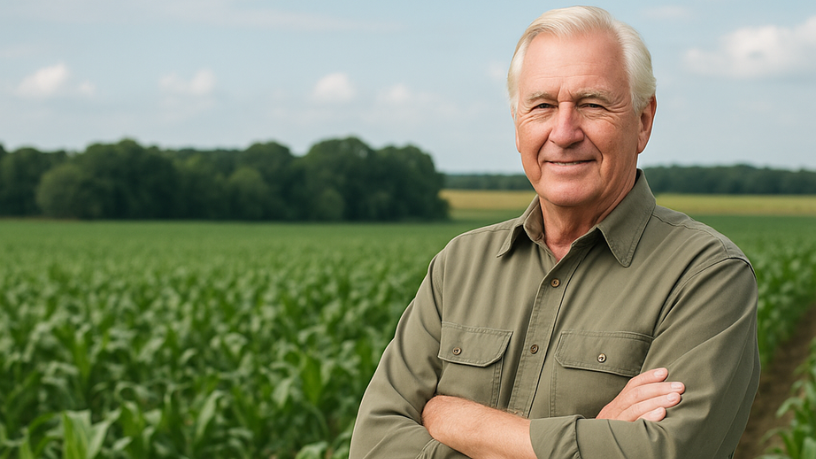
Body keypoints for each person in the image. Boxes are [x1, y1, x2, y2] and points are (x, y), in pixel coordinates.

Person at [349, 6, 760, 458]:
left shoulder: (706, 274)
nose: (563, 133)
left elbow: (664, 452)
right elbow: (373, 444)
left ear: (643, 121)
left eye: (592, 104)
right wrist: (590, 439)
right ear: (517, 122)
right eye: (542, 105)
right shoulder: (460, 264)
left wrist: (461, 421)